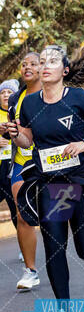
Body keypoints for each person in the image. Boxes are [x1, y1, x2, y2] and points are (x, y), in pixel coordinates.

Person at [7, 44, 84, 310]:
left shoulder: (78, 99)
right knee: (54, 247)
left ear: (65, 70)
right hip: (50, 184)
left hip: (80, 182)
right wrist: (15, 133)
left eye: (52, 62)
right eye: (42, 62)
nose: (45, 66)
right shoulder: (29, 103)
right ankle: (63, 310)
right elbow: (27, 142)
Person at [3, 53, 42, 290]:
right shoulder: (15, 99)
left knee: (55, 218)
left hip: (51, 164)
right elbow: (14, 132)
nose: (27, 67)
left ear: (42, 68)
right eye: (24, 64)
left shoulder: (53, 93)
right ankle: (30, 271)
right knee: (22, 215)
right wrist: (6, 131)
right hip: (22, 163)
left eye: (33, 64)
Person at [0, 80, 19, 241]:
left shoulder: (21, 111)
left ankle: (23, 245)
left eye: (9, 92)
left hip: (14, 167)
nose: (6, 95)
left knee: (16, 209)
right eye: (2, 92)